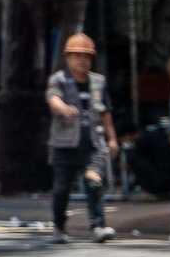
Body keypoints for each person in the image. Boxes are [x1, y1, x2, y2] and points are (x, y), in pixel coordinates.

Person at [45, 33, 118, 243]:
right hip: (65, 144)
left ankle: (98, 226)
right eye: (77, 56)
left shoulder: (98, 82)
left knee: (94, 184)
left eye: (86, 56)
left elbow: (106, 112)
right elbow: (53, 99)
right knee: (61, 189)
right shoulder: (59, 80)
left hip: (92, 144)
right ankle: (59, 227)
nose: (81, 60)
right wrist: (64, 108)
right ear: (68, 58)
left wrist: (112, 139)